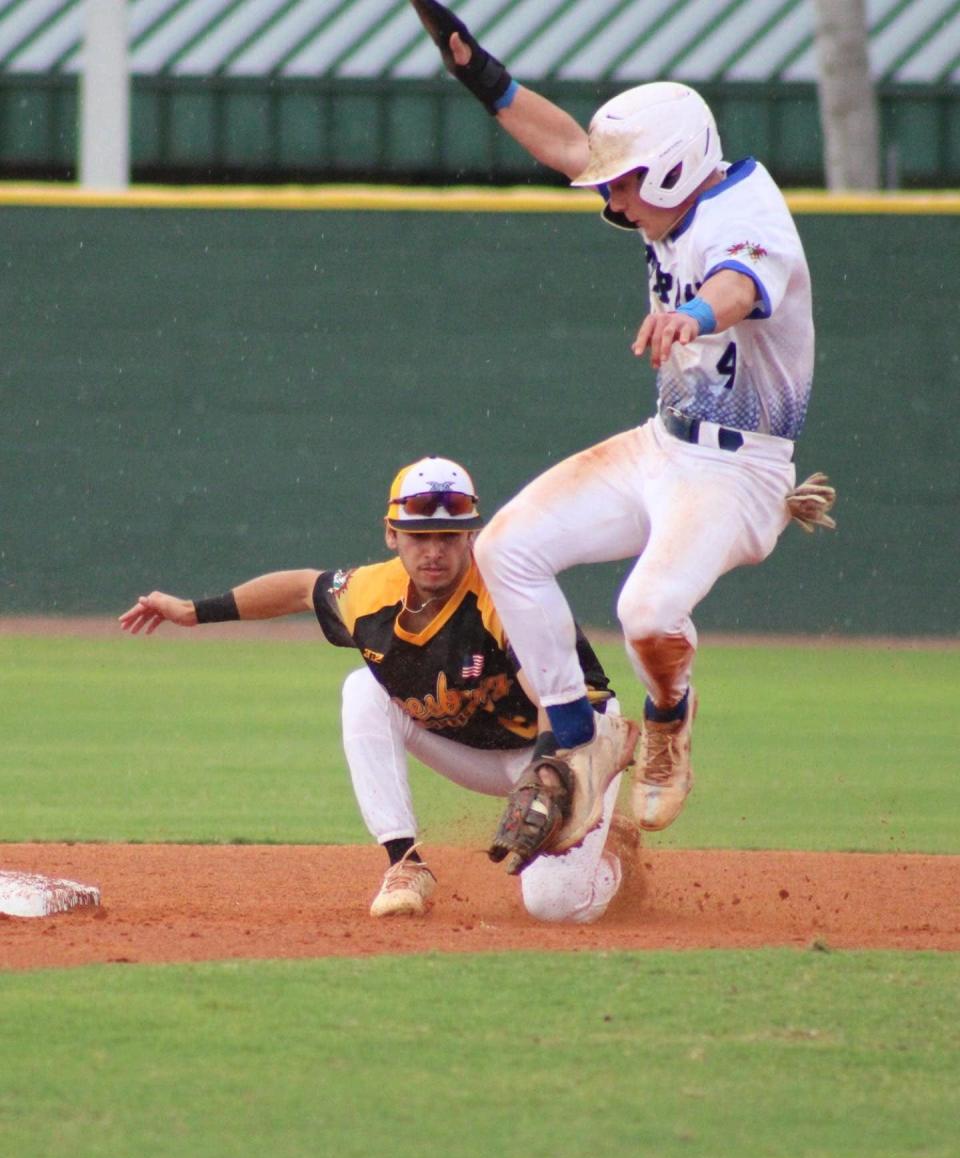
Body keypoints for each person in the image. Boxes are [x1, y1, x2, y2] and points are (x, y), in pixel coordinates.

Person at [410, 1, 835, 834]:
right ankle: (580, 737)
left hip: (740, 474)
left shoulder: (750, 219)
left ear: (675, 168)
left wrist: (697, 317)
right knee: (505, 547)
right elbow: (569, 144)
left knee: (645, 612)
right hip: (663, 446)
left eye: (625, 177)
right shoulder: (668, 201)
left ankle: (668, 720)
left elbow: (738, 285)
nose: (609, 190)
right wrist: (478, 71)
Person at [119, 456, 641, 925]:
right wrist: (194, 611)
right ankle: (405, 866)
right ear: (392, 535)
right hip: (483, 748)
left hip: (573, 747)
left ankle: (610, 858)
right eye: (419, 537)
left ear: (471, 536)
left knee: (553, 906)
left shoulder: (504, 596)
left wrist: (548, 772)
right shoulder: (370, 594)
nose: (433, 552)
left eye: (448, 537)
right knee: (363, 690)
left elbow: (554, 697)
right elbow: (303, 587)